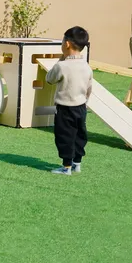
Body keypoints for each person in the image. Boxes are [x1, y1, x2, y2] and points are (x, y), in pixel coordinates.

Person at [45, 26, 93, 175]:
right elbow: (89, 88)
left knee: (64, 136)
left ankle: (66, 167)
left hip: (64, 108)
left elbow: (49, 79)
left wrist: (61, 59)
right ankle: (77, 163)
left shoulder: (62, 66)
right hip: (81, 107)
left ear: (66, 44)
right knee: (80, 135)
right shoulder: (86, 66)